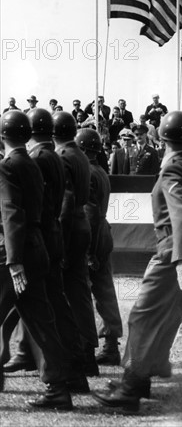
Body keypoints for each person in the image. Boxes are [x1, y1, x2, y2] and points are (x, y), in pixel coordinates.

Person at [93, 111, 182, 415]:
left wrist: (180, 260)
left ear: (162, 138)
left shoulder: (172, 169)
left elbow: (181, 213)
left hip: (173, 252)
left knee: (143, 316)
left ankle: (132, 388)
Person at [3, 109, 89, 394]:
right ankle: (62, 381)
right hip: (39, 246)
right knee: (43, 321)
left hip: (19, 255)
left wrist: (14, 261)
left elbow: (12, 213)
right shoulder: (31, 161)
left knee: (43, 318)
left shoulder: (10, 165)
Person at [53, 111, 99, 377]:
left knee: (63, 293)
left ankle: (75, 357)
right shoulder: (80, 155)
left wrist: (59, 241)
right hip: (83, 225)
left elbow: (66, 203)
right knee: (80, 294)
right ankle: (88, 354)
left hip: (69, 227)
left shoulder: (63, 156)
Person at [75, 128, 123, 366]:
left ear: (82, 149)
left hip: (92, 237)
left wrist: (89, 251)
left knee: (82, 292)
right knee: (105, 292)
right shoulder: (101, 171)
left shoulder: (86, 173)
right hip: (104, 234)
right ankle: (111, 345)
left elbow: (90, 212)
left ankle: (85, 348)